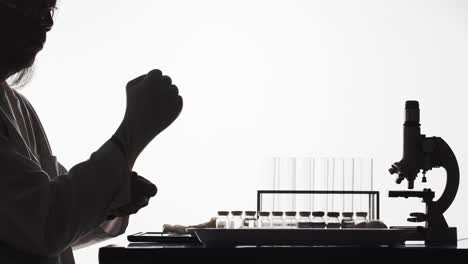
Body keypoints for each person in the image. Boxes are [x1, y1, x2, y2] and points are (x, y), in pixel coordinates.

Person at [0, 0, 183, 263]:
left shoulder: (17, 105)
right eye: (31, 8)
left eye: (49, 11)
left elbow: (56, 220)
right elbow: (46, 224)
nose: (48, 24)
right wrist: (132, 131)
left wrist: (110, 204)